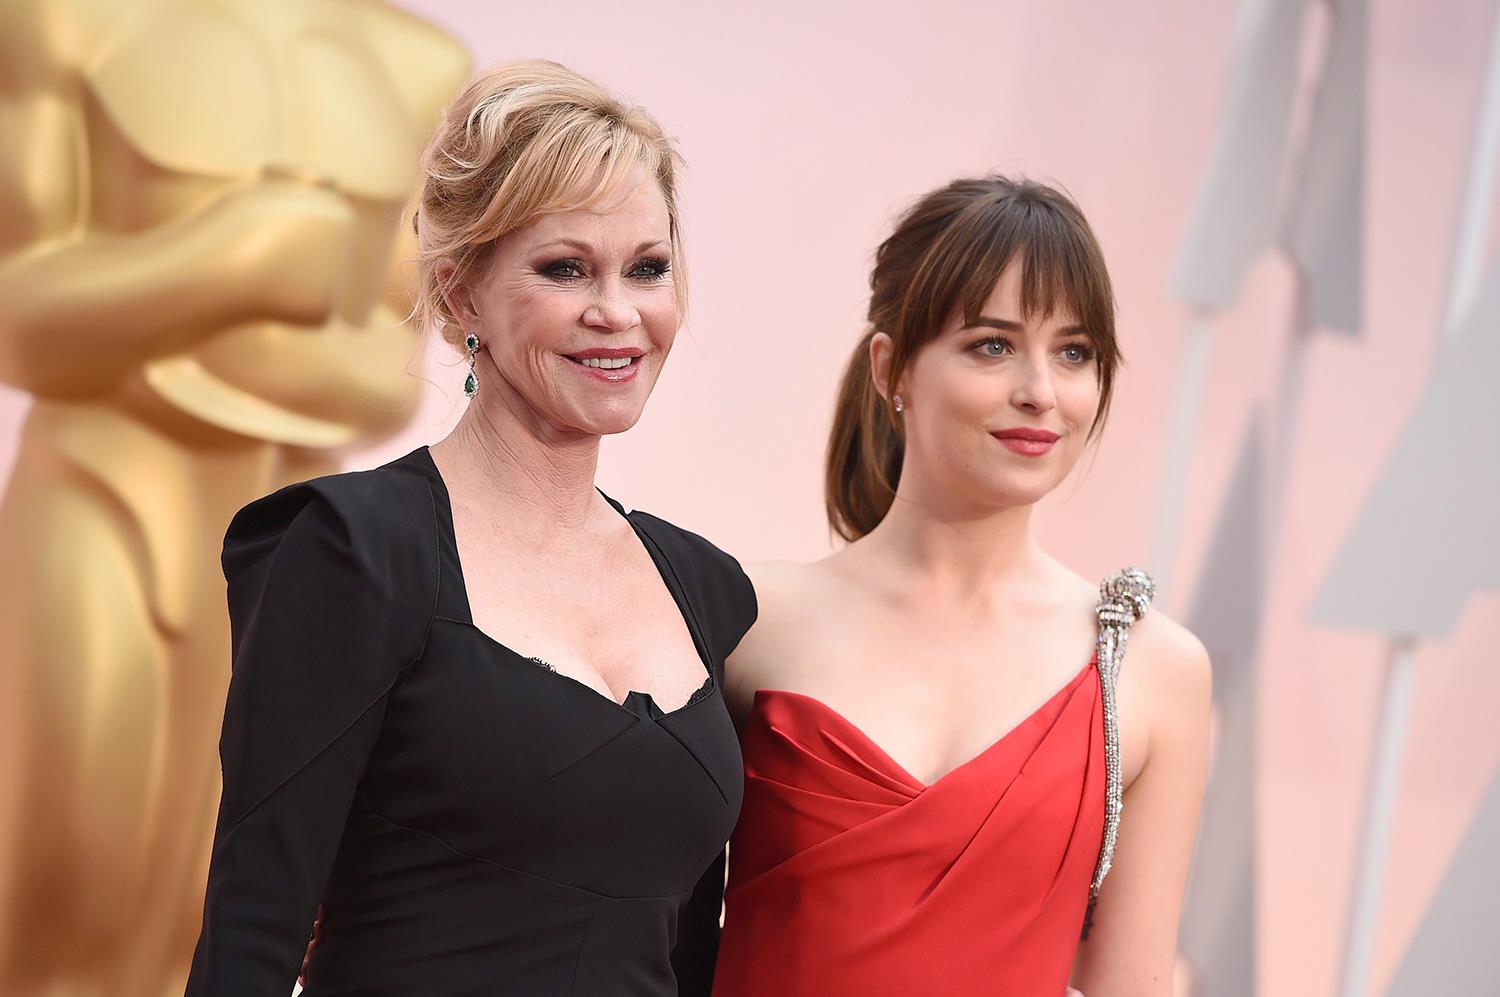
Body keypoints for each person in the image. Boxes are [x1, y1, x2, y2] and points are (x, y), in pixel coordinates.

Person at [184, 60, 753, 996]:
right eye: (566, 268)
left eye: (647, 269)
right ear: (460, 294)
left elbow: (690, 951)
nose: (618, 312)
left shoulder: (705, 587)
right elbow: (254, 925)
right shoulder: (355, 550)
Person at [710, 177, 1212, 996]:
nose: (1040, 392)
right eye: (992, 345)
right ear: (892, 368)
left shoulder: (1156, 668)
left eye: (1074, 353)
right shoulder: (749, 617)